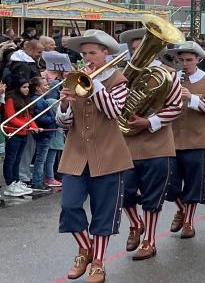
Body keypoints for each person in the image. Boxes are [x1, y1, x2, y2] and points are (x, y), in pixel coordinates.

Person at [56, 30, 132, 283]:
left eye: (92, 53)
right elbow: (64, 123)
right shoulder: (74, 79)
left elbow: (113, 111)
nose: (87, 58)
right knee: (69, 205)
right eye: (84, 53)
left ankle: (97, 263)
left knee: (104, 211)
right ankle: (85, 249)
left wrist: (94, 83)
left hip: (109, 153)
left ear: (105, 54)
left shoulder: (120, 81)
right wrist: (65, 104)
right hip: (76, 153)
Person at [115, 27, 184, 260]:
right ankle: (135, 224)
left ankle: (150, 241)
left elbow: (175, 107)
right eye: (134, 50)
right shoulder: (121, 75)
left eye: (142, 49)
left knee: (152, 197)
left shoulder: (169, 75)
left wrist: (148, 121)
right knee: (123, 192)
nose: (138, 55)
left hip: (157, 144)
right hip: (125, 144)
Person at [164, 41, 205, 239]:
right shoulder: (172, 79)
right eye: (181, 60)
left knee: (193, 184)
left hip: (197, 140)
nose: (185, 63)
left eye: (189, 60)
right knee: (169, 184)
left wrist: (191, 98)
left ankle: (188, 221)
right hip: (171, 139)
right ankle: (180, 209)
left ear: (198, 60)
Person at [3, 77, 39, 195]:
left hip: (23, 133)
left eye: (28, 87)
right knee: (10, 159)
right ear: (18, 88)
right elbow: (11, 117)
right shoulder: (11, 99)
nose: (27, 89)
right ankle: (9, 184)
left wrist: (33, 126)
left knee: (17, 159)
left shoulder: (25, 99)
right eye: (24, 87)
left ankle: (16, 180)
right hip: (13, 133)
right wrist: (28, 126)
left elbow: (28, 116)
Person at [30, 77, 61, 188]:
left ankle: (39, 180)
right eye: (45, 85)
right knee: (41, 159)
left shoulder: (40, 99)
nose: (47, 87)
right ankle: (37, 182)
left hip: (45, 133)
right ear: (38, 88)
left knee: (41, 158)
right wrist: (55, 118)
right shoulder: (39, 101)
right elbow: (41, 119)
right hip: (44, 133)